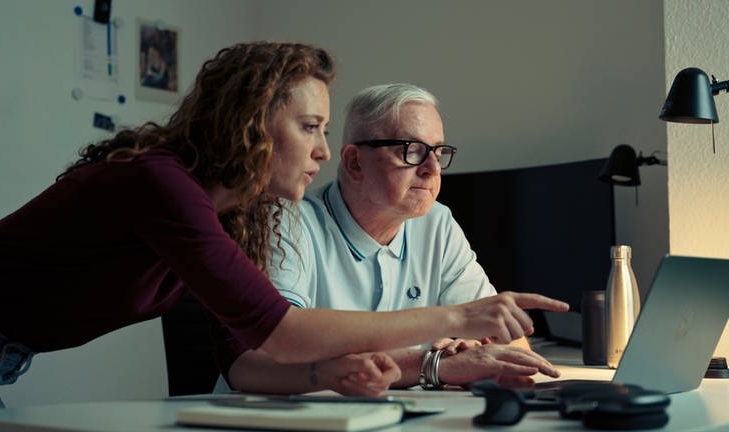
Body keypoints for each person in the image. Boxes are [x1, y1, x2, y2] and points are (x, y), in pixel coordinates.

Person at [0, 42, 568, 410]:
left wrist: (325, 375)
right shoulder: (161, 184)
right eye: (309, 128)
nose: (325, 153)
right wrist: (458, 319)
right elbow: (280, 331)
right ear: (252, 123)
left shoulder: (235, 217)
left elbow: (244, 351)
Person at [219, 83, 562, 395]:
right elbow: (258, 361)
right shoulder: (285, 219)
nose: (432, 168)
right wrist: (433, 365)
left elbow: (507, 342)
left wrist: (478, 358)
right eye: (411, 150)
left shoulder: (437, 223)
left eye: (438, 152)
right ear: (354, 162)